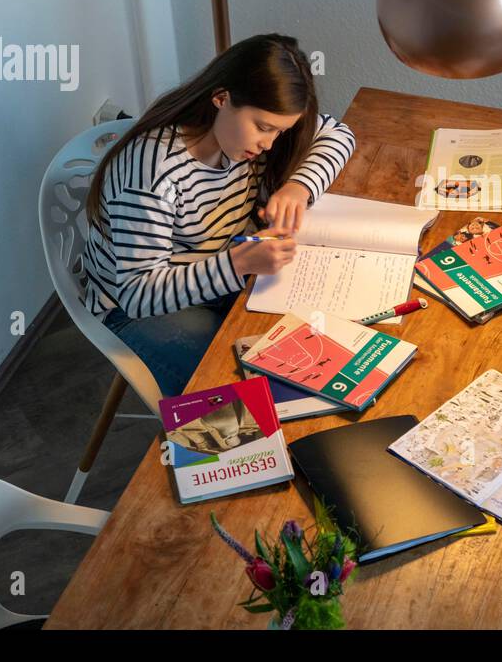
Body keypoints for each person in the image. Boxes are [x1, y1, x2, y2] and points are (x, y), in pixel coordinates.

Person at [80, 34, 356, 396]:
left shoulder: (241, 138)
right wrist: (237, 265)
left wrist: (298, 187)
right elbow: (137, 294)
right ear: (222, 98)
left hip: (214, 271)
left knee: (314, 355)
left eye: (280, 131)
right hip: (133, 306)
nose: (269, 145)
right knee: (251, 388)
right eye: (263, 127)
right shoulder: (153, 172)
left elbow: (339, 134)